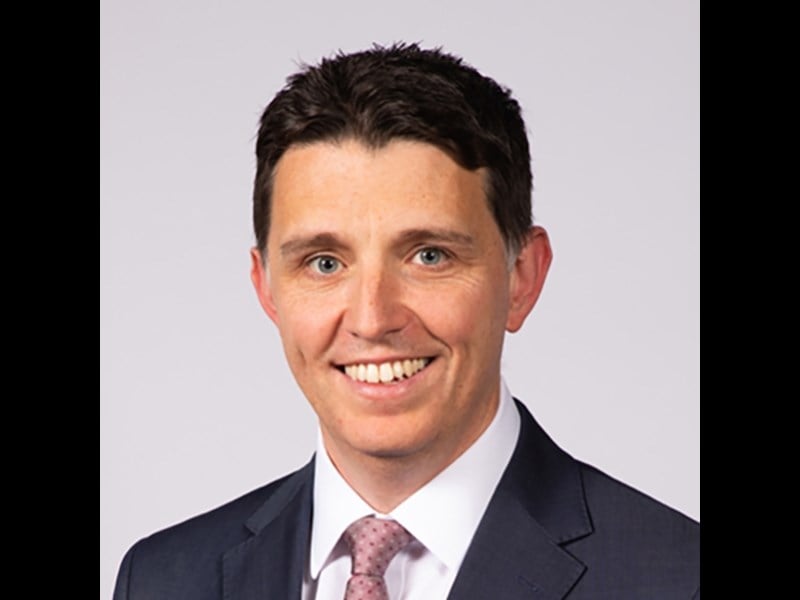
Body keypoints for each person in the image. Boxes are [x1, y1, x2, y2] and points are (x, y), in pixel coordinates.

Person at [113, 43, 699, 600]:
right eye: (324, 263)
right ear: (266, 287)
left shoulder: (675, 579)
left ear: (522, 277)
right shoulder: (162, 580)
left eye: (429, 256)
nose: (372, 319)